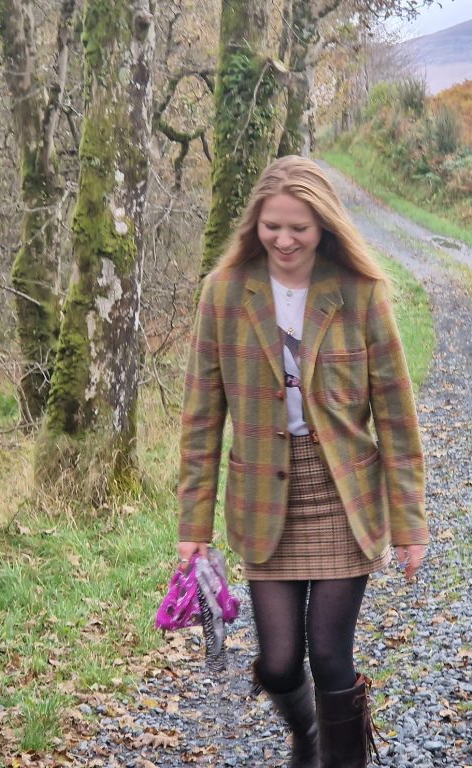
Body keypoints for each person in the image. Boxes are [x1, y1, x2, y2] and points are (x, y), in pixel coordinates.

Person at [177, 155, 429, 768]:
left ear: (324, 226)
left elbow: (395, 414)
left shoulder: (360, 294)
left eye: (299, 228)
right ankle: (308, 735)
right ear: (254, 226)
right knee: (281, 660)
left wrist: (411, 524)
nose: (285, 240)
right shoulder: (226, 294)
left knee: (331, 654)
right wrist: (193, 528)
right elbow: (203, 418)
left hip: (345, 496)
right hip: (265, 498)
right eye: (272, 228)